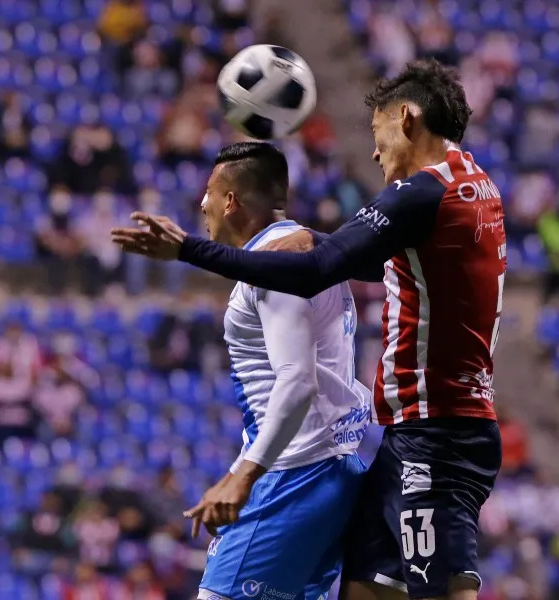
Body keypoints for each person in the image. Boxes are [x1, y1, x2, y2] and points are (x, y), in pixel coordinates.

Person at [113, 59, 505, 600]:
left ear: (408, 119)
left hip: (437, 433)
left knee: (441, 589)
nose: (374, 151)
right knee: (368, 588)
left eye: (379, 132)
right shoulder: (473, 187)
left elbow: (320, 272)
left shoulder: (420, 193)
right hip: (405, 434)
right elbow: (361, 259)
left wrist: (189, 250)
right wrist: (307, 238)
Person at [151, 142, 372, 600]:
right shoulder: (304, 252)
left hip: (294, 476)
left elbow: (297, 383)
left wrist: (243, 477)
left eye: (209, 192)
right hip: (328, 466)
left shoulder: (279, 263)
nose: (201, 203)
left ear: (230, 200)